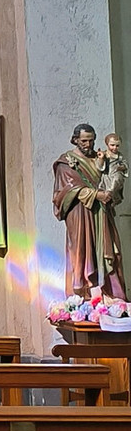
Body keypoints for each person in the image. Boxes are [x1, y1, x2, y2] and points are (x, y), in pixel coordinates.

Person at [53, 123, 126, 299]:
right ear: (75, 140)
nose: (88, 144)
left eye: (91, 141)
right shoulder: (65, 162)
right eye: (84, 141)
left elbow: (112, 180)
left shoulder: (101, 158)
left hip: (101, 213)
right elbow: (64, 191)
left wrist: (111, 189)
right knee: (80, 252)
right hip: (79, 214)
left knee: (110, 251)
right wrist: (96, 194)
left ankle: (111, 295)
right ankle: (82, 293)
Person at [98, 132, 127, 207]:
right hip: (107, 175)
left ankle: (112, 194)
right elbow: (100, 167)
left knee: (117, 179)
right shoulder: (105, 154)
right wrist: (101, 159)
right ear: (107, 144)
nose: (115, 148)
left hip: (116, 173)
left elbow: (125, 164)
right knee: (106, 187)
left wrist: (122, 167)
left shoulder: (119, 156)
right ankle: (107, 197)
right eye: (112, 145)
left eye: (117, 146)